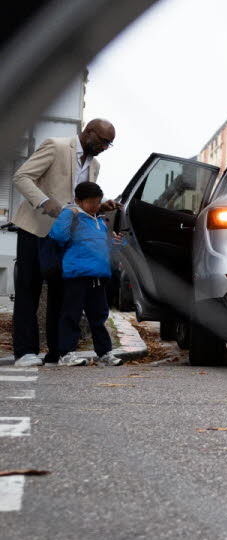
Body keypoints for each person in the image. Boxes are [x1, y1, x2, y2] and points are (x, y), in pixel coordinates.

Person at [10, 119, 118, 368]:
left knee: (62, 293)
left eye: (109, 144)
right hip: (35, 229)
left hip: (66, 237)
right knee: (29, 289)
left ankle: (56, 353)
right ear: (89, 133)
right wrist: (44, 201)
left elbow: (78, 202)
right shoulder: (56, 147)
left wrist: (100, 206)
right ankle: (25, 352)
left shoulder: (95, 165)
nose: (105, 147)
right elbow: (22, 176)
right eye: (103, 141)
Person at [49, 182, 123, 367]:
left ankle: (105, 353)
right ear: (78, 201)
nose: (95, 206)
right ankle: (65, 353)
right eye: (91, 202)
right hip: (77, 274)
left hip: (98, 274)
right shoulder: (73, 216)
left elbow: (104, 249)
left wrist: (118, 243)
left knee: (99, 316)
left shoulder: (100, 221)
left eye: (98, 202)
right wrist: (69, 212)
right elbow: (58, 236)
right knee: (71, 315)